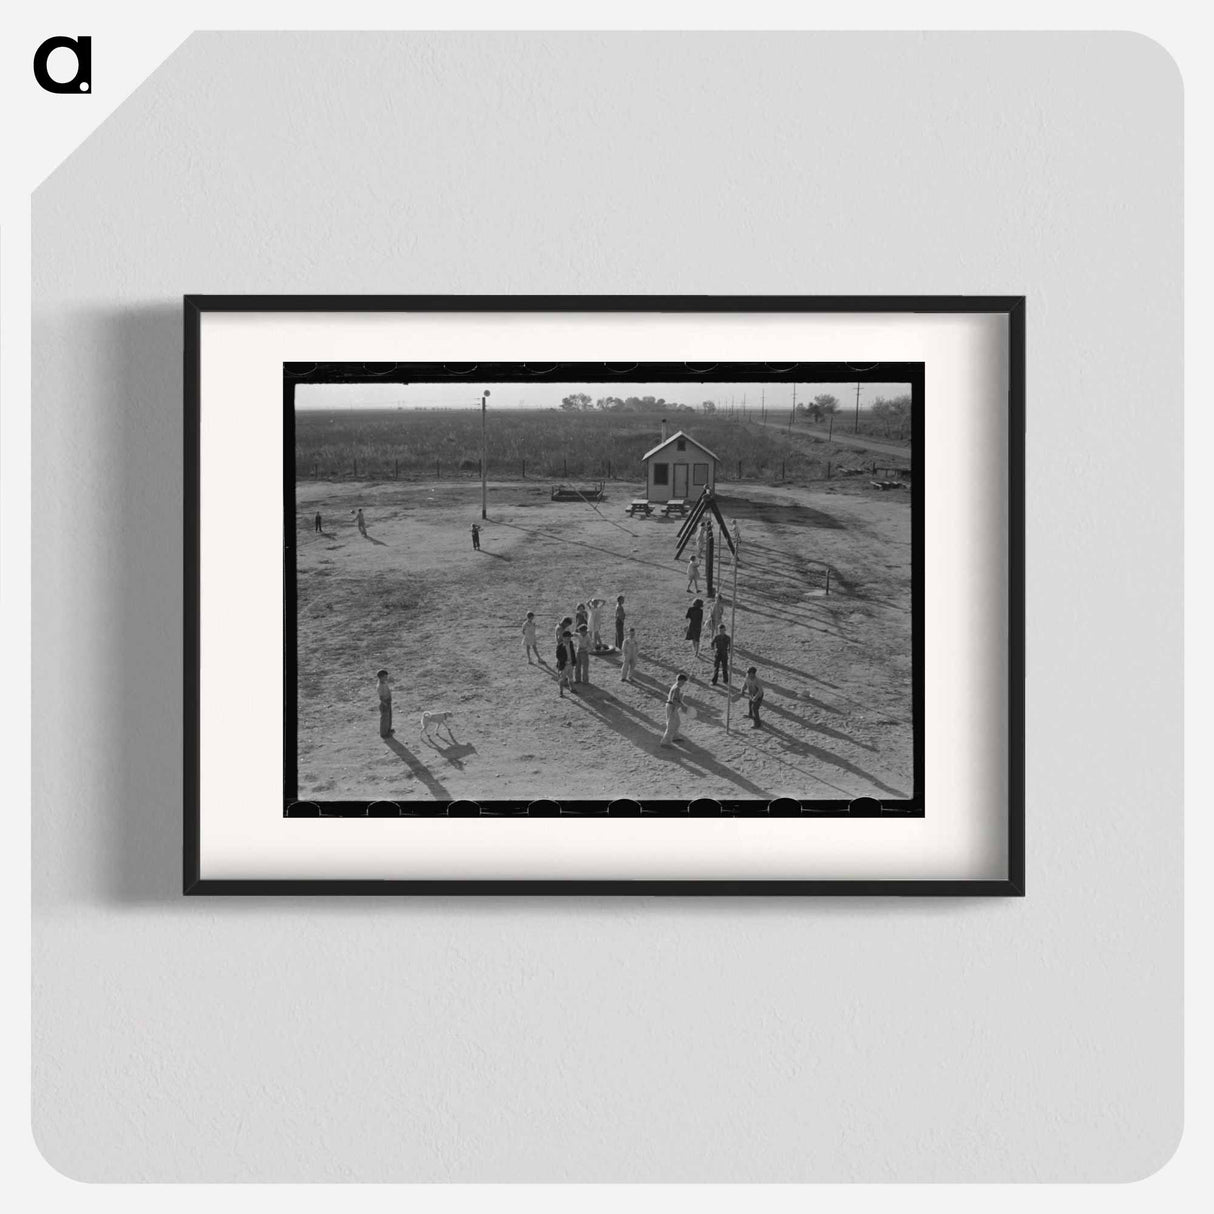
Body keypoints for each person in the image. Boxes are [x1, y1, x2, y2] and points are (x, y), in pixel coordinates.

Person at [660, 673, 689, 747]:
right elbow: (674, 701)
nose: (683, 683)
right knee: (671, 725)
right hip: (672, 707)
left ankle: (675, 737)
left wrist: (682, 703)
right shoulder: (676, 688)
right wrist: (682, 706)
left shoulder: (676, 687)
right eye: (683, 682)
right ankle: (665, 742)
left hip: (672, 706)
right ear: (680, 681)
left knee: (677, 722)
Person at [556, 630, 575, 696]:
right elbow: (558, 656)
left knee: (571, 677)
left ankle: (572, 688)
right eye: (567, 638)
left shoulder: (571, 643)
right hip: (564, 665)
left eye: (569, 638)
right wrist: (563, 661)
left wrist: (574, 661)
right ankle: (561, 691)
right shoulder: (560, 646)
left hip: (570, 664)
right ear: (563, 638)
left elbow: (573, 653)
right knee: (562, 679)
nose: (569, 639)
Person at [376, 669, 393, 737]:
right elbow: (381, 697)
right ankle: (383, 733)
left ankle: (388, 730)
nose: (386, 678)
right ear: (381, 677)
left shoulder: (384, 682)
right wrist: (385, 703)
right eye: (385, 677)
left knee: (389, 717)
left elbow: (388, 690)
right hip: (384, 703)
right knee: (384, 719)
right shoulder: (380, 686)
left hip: (388, 701)